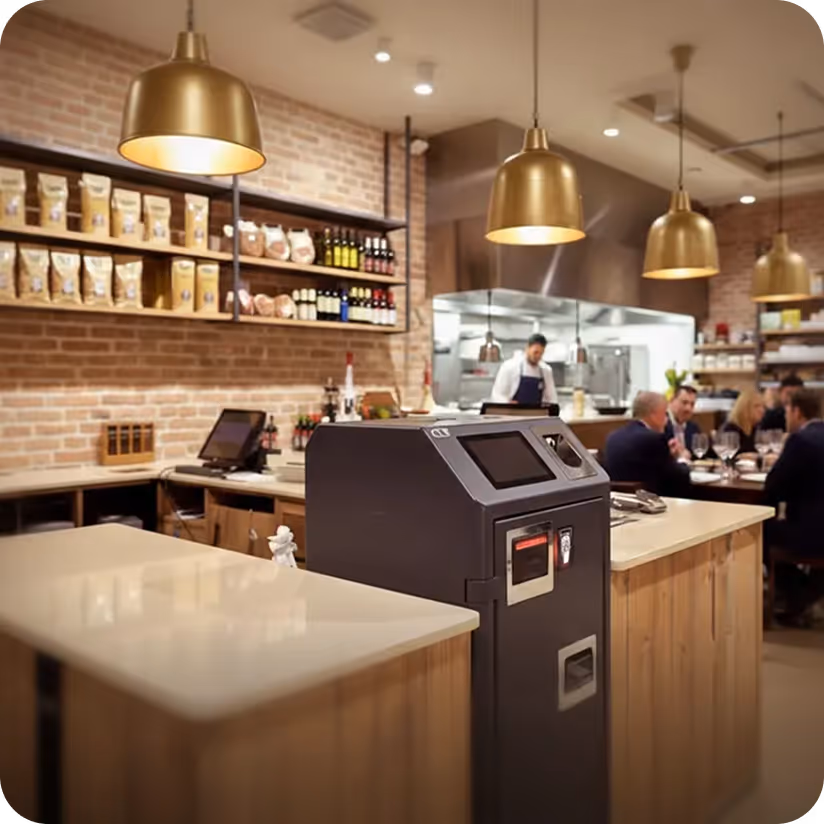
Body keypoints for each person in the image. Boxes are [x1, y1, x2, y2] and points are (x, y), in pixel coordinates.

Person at [764, 389, 824, 621]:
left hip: (811, 533)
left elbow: (773, 486)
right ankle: (809, 590)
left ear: (796, 411)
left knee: (758, 531)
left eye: (787, 410)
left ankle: (797, 596)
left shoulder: (800, 440)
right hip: (817, 528)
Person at [603, 391, 692, 497]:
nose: (667, 420)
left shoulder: (613, 436)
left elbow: (650, 466)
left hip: (619, 505)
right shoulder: (654, 439)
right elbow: (678, 478)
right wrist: (683, 459)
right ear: (654, 414)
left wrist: (668, 454)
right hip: (650, 505)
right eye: (664, 414)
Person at [490, 333, 558, 406]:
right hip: (513, 413)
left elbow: (551, 397)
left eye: (541, 353)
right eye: (535, 352)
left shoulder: (545, 370)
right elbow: (497, 394)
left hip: (536, 414)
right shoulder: (509, 367)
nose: (538, 356)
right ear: (527, 348)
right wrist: (507, 403)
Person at [720, 389, 765, 455]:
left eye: (763, 406)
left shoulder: (755, 428)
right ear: (744, 408)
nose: (762, 410)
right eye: (756, 406)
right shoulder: (731, 429)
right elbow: (729, 456)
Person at [664, 384, 702, 458]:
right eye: (684, 402)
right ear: (671, 401)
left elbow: (700, 454)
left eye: (692, 404)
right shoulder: (660, 424)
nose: (688, 408)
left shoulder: (693, 428)